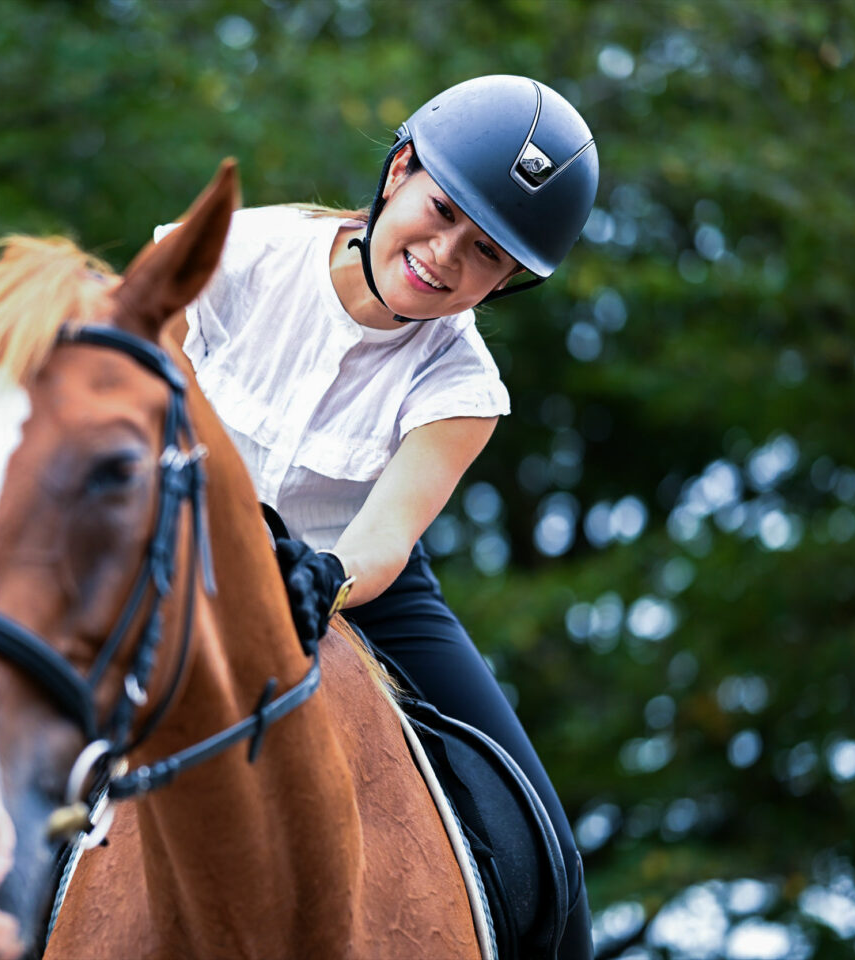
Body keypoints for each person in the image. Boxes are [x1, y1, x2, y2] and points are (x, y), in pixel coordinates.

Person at [155, 75, 598, 957]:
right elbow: (141, 392)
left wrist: (325, 578)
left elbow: (387, 536)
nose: (444, 257)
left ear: (506, 280)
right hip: (177, 538)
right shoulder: (235, 251)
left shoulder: (465, 388)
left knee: (541, 835)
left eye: (484, 254)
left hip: (351, 581)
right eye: (440, 212)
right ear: (399, 171)